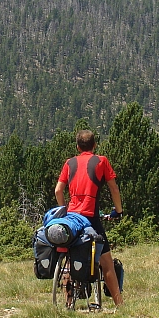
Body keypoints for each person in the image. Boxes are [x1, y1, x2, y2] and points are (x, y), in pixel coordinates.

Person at [55, 129, 124, 306]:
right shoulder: (101, 161)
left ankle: (68, 301)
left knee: (70, 254)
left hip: (71, 217)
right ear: (94, 145)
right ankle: (119, 304)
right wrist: (118, 210)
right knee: (106, 262)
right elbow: (114, 188)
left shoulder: (69, 163)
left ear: (78, 147)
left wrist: (64, 209)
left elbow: (58, 190)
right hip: (90, 216)